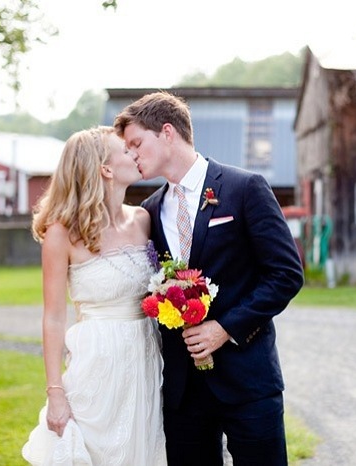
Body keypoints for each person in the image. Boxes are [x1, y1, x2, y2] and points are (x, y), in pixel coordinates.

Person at [114, 92, 305, 466]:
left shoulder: (244, 188)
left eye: (136, 143)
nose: (132, 154)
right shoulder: (149, 211)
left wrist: (225, 328)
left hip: (248, 379)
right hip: (184, 393)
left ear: (167, 132)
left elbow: (285, 274)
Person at [21, 126, 167, 465]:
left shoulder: (144, 219)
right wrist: (55, 392)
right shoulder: (62, 234)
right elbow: (54, 317)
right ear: (106, 169)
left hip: (146, 357)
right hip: (97, 364)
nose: (135, 153)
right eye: (126, 149)